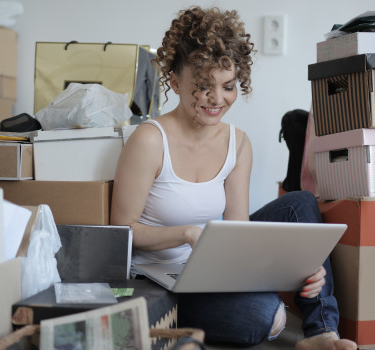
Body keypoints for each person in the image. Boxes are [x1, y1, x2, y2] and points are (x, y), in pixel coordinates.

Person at [111, 6, 357, 350]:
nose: (217, 99)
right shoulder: (150, 140)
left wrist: (301, 268)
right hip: (160, 279)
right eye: (203, 86)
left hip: (213, 267)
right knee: (266, 317)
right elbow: (123, 230)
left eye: (228, 87)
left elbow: (240, 234)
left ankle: (320, 331)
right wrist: (184, 234)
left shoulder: (238, 142)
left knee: (300, 203)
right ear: (175, 82)